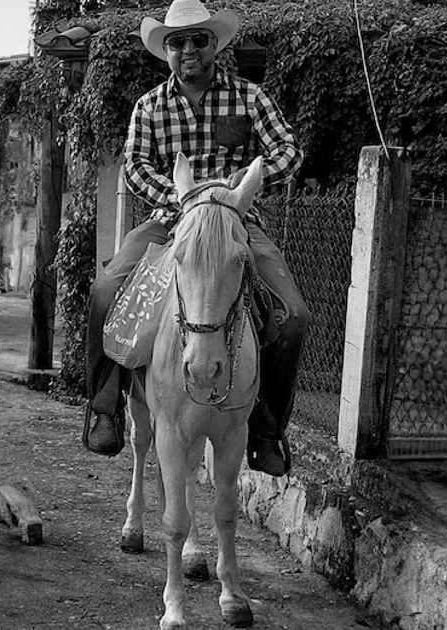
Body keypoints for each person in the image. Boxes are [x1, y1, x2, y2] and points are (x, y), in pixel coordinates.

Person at [82, 0, 307, 477]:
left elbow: (288, 148)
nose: (188, 49)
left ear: (214, 44)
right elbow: (136, 167)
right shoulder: (150, 106)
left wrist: (243, 189)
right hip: (170, 222)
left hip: (235, 226)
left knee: (293, 318)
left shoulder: (249, 97)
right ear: (166, 50)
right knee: (105, 291)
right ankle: (105, 408)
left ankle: (266, 428)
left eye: (198, 39)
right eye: (177, 41)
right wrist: (183, 197)